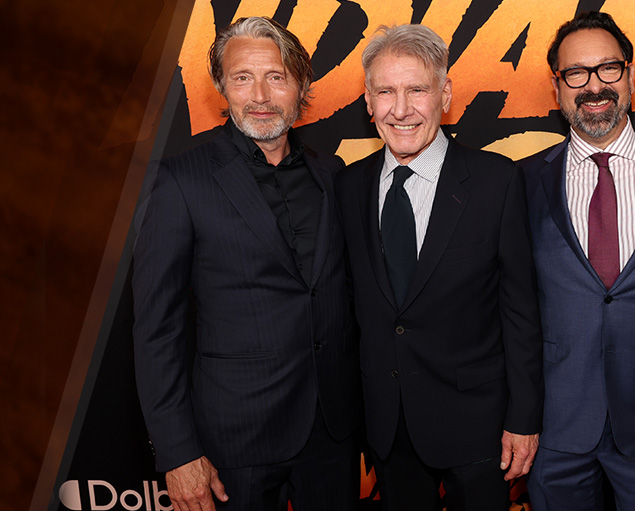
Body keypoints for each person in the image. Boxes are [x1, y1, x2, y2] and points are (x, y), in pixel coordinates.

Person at [133, 16, 361, 511]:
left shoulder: (332, 173)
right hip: (235, 439)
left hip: (332, 431)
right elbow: (158, 330)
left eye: (276, 77)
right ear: (222, 86)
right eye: (242, 78)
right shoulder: (180, 181)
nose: (260, 94)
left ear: (300, 85)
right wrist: (178, 452)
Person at [334, 24, 543, 511]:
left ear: (444, 95)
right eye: (385, 91)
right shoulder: (348, 187)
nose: (400, 109)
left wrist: (525, 418)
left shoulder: (497, 181)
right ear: (368, 100)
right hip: (388, 426)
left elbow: (521, 313)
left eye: (417, 90)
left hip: (479, 426)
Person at [519, 11, 635, 511]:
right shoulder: (521, 183)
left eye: (609, 69)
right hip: (555, 424)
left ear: (630, 77)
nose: (594, 86)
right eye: (576, 74)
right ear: (557, 87)